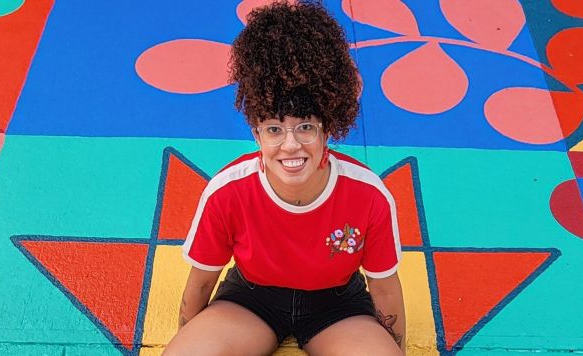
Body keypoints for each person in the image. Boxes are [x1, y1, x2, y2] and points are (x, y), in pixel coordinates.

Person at [163, 1, 405, 355]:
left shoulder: (369, 194)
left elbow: (385, 290)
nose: (290, 145)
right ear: (257, 134)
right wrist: (187, 340)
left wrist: (397, 349)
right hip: (250, 301)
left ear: (328, 129)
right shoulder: (227, 191)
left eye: (305, 127)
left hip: (338, 307)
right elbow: (200, 284)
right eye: (274, 129)